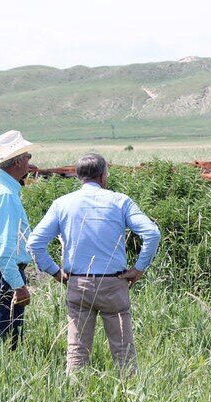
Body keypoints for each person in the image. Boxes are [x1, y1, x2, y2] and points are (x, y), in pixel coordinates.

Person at [27, 153, 161, 373]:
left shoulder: (62, 204)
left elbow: (34, 242)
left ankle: (75, 396)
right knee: (123, 350)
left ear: (79, 176)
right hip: (113, 283)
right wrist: (139, 268)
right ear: (103, 175)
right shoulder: (120, 201)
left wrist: (55, 272)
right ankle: (130, 397)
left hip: (78, 282)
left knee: (77, 351)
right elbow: (152, 234)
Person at [0, 129, 45, 350]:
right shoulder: (5, 193)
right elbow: (4, 247)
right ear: (18, 162)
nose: (30, 161)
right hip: (3, 273)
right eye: (28, 156)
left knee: (2, 333)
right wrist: (18, 285)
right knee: (3, 340)